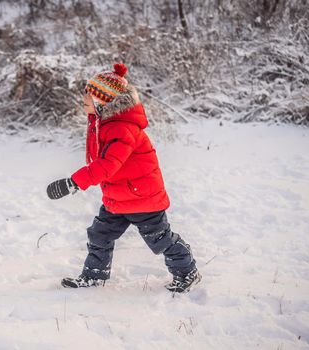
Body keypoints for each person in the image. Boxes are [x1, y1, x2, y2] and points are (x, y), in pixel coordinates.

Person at [46, 63, 201, 293]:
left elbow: (107, 165)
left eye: (89, 95)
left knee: (159, 239)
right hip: (118, 197)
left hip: (142, 198)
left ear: (103, 101)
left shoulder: (123, 129)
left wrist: (73, 182)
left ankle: (187, 272)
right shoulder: (106, 124)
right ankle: (94, 275)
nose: (84, 99)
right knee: (100, 234)